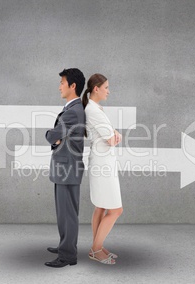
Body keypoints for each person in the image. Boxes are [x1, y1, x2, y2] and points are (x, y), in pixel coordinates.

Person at [44, 68, 86, 268]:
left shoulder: (73, 112)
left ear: (73, 86)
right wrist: (57, 137)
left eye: (62, 82)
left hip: (67, 169)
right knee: (64, 213)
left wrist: (50, 135)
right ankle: (65, 246)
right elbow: (59, 137)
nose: (59, 86)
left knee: (67, 214)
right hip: (66, 168)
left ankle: (68, 255)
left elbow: (53, 135)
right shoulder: (73, 109)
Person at [82, 73, 123, 265]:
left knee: (101, 206)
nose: (109, 91)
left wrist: (113, 133)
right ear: (96, 88)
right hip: (103, 165)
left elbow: (110, 135)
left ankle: (97, 246)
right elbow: (110, 139)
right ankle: (96, 249)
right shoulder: (94, 110)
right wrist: (114, 133)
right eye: (106, 87)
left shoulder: (94, 108)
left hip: (102, 162)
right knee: (116, 210)